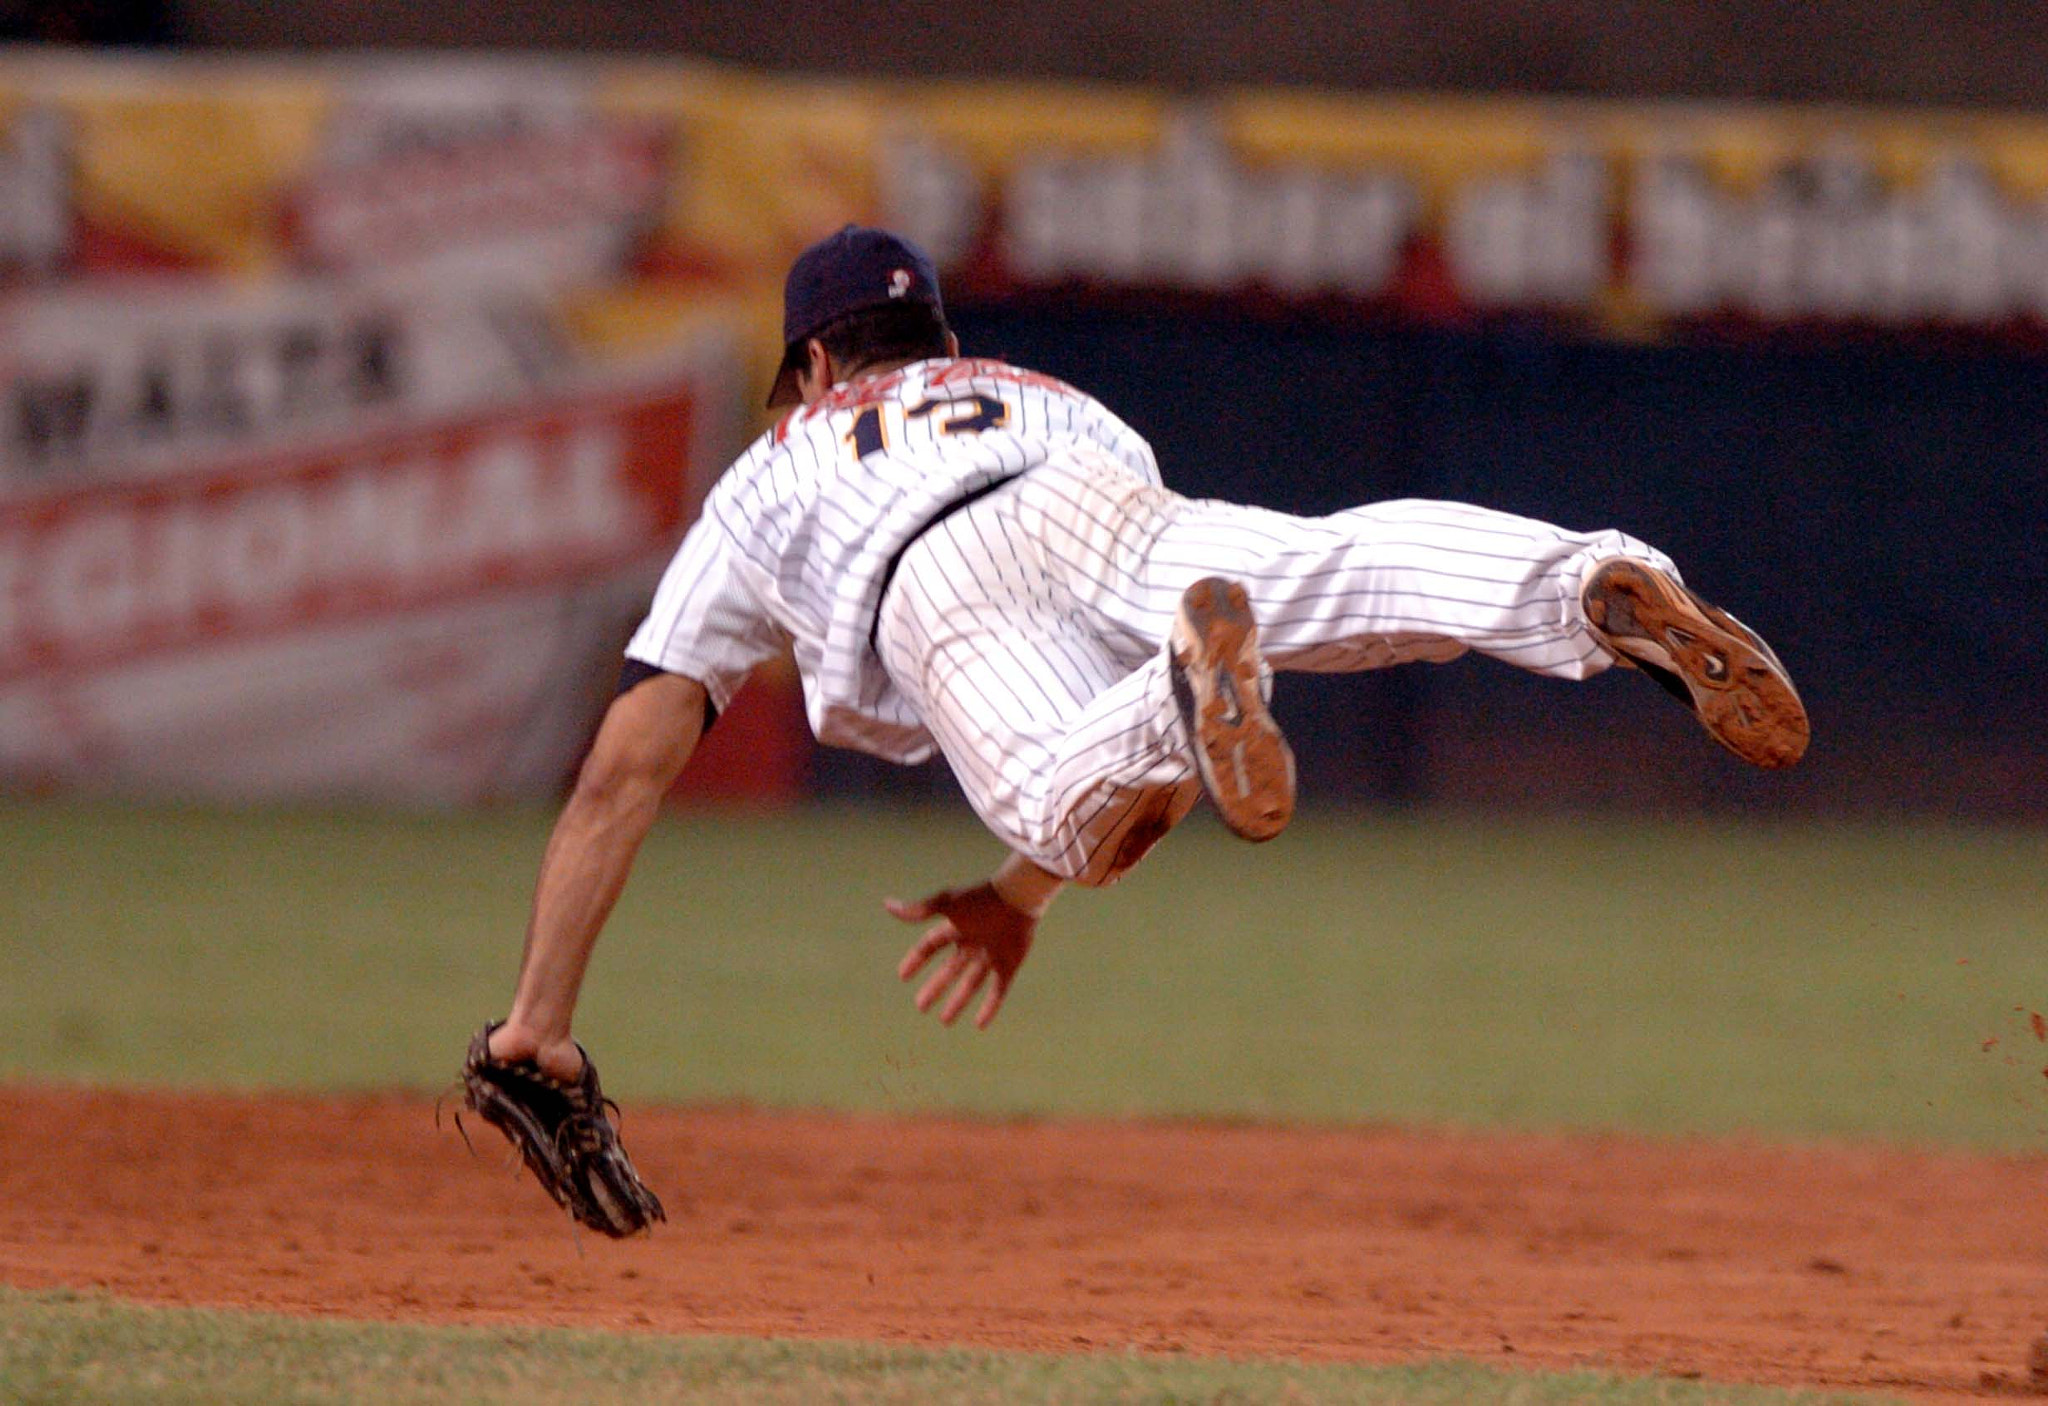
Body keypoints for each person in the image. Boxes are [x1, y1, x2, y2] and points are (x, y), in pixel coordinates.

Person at [481, 224, 1807, 1083]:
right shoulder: (1042, 390)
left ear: (818, 360)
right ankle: (1591, 583)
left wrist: (536, 1020)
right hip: (1094, 496)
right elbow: (1147, 789)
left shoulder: (778, 464)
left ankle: (1182, 690)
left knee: (1062, 784)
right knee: (1332, 571)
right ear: (936, 340)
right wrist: (1023, 896)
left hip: (927, 573)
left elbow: (626, 767)